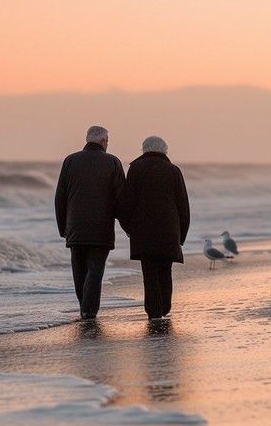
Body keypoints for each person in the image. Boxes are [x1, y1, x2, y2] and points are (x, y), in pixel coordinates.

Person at [55, 126, 125, 319]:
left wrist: (63, 228)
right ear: (103, 141)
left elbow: (60, 197)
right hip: (101, 229)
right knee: (95, 270)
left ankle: (84, 309)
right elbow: (121, 199)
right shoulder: (112, 162)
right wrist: (128, 226)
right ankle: (89, 311)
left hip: (75, 229)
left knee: (79, 272)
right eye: (108, 140)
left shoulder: (70, 161)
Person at [118, 136, 190, 320]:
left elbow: (126, 203)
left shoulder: (136, 169)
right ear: (165, 150)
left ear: (144, 150)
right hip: (169, 231)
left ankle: (153, 312)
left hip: (143, 232)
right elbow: (183, 205)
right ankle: (164, 307)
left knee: (149, 272)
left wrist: (128, 228)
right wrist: (181, 236)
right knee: (165, 271)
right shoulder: (173, 171)